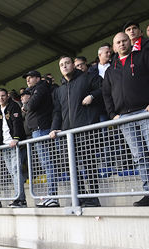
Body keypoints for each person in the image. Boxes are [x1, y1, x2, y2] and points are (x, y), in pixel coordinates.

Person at [102, 32, 149, 206]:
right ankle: (148, 191)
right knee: (139, 156)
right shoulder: (110, 69)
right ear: (114, 47)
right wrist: (113, 115)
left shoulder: (142, 57)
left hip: (145, 112)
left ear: (130, 42)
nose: (121, 44)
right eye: (118, 42)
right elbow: (106, 95)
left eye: (124, 41)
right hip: (125, 118)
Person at [50, 55, 102, 207]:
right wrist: (54, 128)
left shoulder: (87, 78)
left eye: (67, 63)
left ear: (73, 65)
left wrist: (92, 95)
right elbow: (57, 112)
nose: (64, 66)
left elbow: (104, 87)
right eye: (61, 65)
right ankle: (80, 196)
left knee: (89, 164)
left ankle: (93, 198)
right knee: (70, 165)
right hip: (68, 133)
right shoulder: (59, 90)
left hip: (86, 129)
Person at [21, 70, 59, 207]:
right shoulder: (35, 90)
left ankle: (53, 196)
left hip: (42, 129)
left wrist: (26, 102)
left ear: (38, 78)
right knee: (46, 164)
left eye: (30, 77)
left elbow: (30, 106)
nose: (28, 80)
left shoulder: (41, 88)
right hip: (37, 130)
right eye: (27, 78)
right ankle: (51, 195)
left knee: (48, 164)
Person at [0, 88, 26, 208]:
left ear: (7, 96)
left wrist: (16, 138)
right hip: (4, 145)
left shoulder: (13, 106)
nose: (1, 98)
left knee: (16, 170)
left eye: (3, 96)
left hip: (14, 144)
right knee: (12, 172)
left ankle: (20, 199)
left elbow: (17, 123)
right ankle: (19, 197)